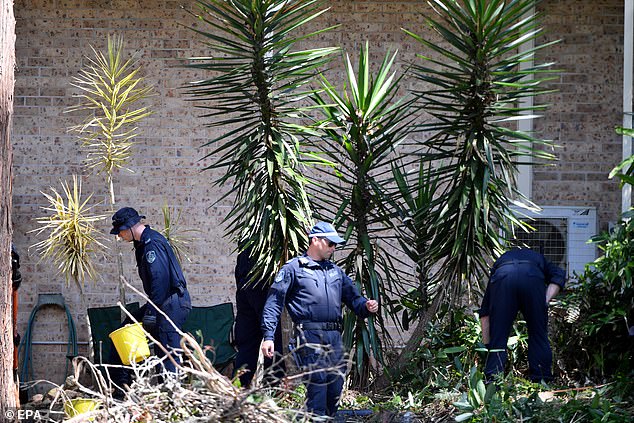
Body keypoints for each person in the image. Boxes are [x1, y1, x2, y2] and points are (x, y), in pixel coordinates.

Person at [261, 222, 379, 417]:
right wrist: (268, 336)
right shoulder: (293, 269)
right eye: (330, 243)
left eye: (335, 245)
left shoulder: (335, 272)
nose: (333, 248)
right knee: (318, 388)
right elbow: (274, 303)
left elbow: (354, 300)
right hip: (308, 337)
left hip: (333, 336)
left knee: (335, 387)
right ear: (315, 240)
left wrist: (366, 306)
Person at [108, 207, 192, 393]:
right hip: (161, 302)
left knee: (167, 353)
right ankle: (122, 389)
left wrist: (152, 313)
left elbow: (160, 282)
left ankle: (173, 398)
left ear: (130, 226)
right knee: (124, 330)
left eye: (120, 231)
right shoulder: (143, 244)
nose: (120, 236)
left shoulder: (151, 244)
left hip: (171, 303)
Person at [478, 248, 566, 383]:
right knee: (538, 333)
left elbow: (485, 313)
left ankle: (493, 381)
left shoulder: (499, 263)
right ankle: (541, 380)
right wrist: (545, 300)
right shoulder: (539, 258)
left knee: (499, 335)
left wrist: (488, 346)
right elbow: (559, 275)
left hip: (503, 278)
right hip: (532, 278)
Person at [233, 246, 285, 387]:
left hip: (245, 282)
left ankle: (239, 389)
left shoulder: (250, 232)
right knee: (273, 340)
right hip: (264, 281)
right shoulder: (268, 232)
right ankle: (273, 389)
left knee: (246, 345)